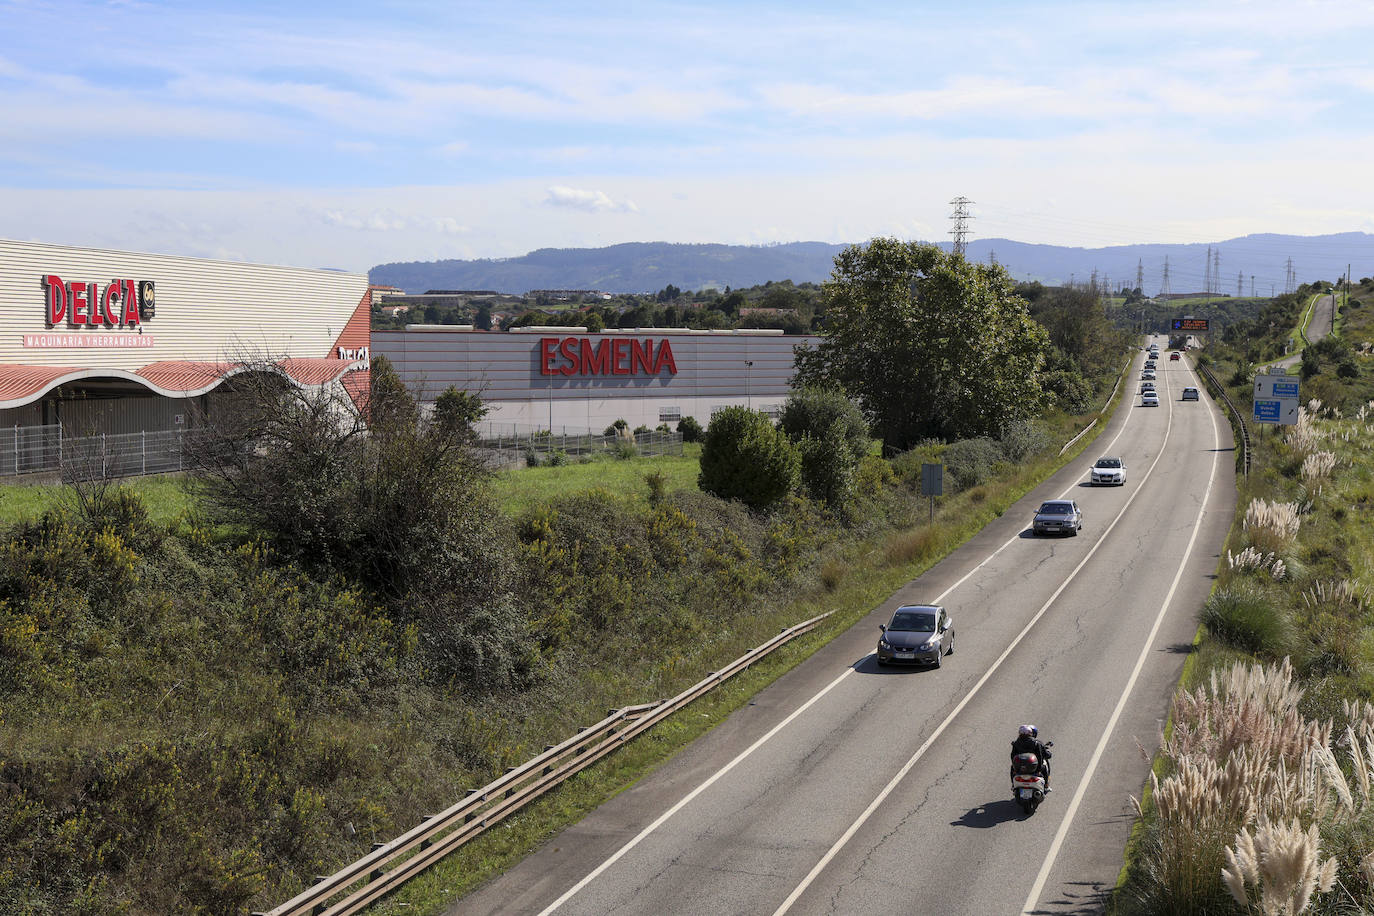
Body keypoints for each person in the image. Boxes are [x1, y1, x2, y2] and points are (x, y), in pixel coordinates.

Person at [1010, 724, 1052, 791]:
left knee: (1012, 767)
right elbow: (1040, 756)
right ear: (1030, 733)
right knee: (1044, 768)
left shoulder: (1016, 743)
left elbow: (1012, 756)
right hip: (1034, 769)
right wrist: (1038, 770)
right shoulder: (1036, 743)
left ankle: (1013, 784)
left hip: (1020, 768)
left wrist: (1016, 769)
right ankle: (1046, 785)